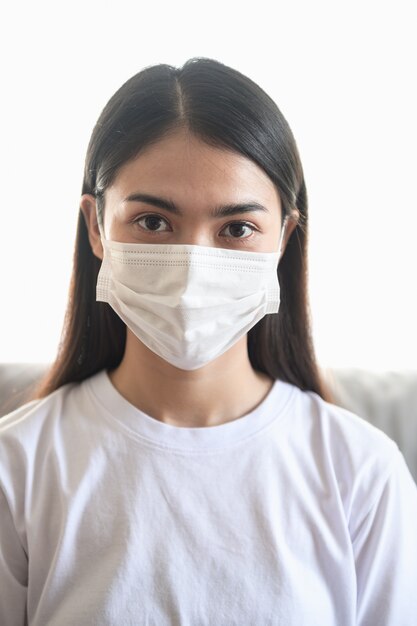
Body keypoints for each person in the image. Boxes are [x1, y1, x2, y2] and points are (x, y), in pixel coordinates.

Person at [0, 57, 416, 626]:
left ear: (285, 238)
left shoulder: (362, 475)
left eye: (237, 229)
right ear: (96, 227)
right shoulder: (16, 467)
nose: (194, 266)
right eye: (152, 222)